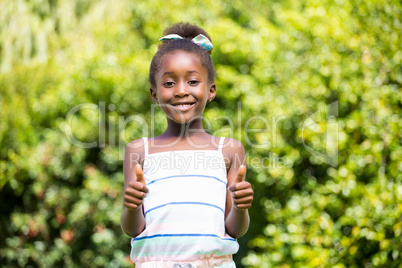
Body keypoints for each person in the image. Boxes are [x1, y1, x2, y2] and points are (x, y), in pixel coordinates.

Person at [120, 22, 254, 268]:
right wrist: (131, 206)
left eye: (193, 82)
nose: (181, 91)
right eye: (169, 83)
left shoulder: (229, 150)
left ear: (211, 90)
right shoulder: (139, 151)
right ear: (154, 94)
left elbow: (234, 229)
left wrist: (241, 207)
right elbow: (133, 229)